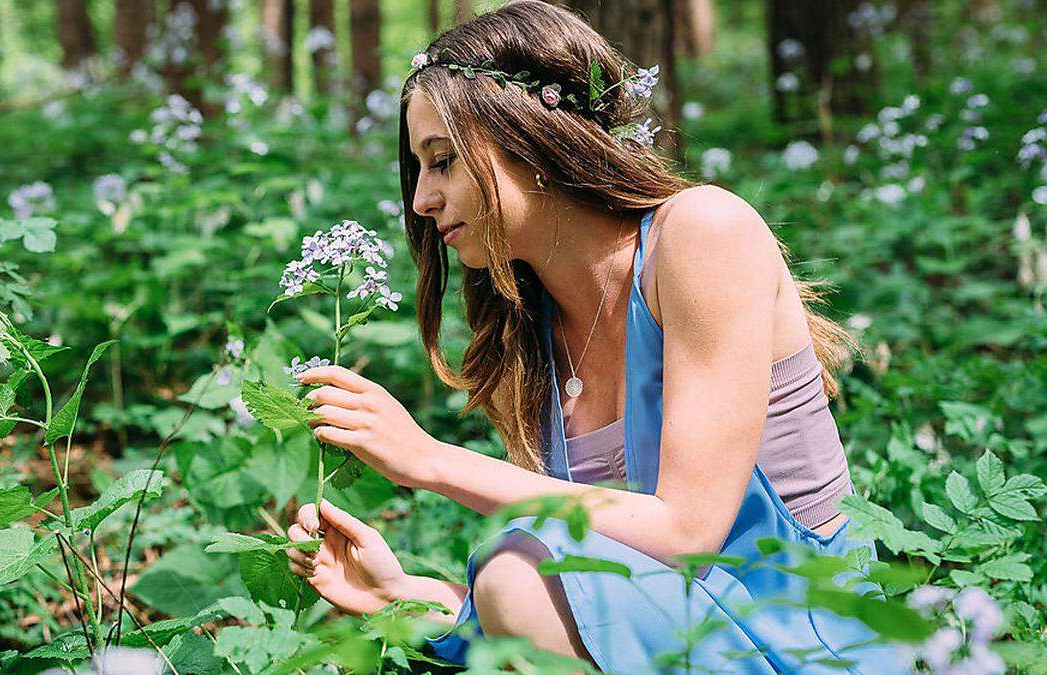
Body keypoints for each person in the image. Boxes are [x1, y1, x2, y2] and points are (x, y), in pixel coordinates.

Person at [286, 2, 898, 672]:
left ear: (526, 138)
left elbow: (686, 533)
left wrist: (427, 461)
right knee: (514, 571)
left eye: (443, 161)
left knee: (513, 566)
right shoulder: (531, 331)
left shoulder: (702, 234)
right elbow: (587, 596)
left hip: (814, 639)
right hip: (695, 638)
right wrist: (405, 593)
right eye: (419, 169)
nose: (422, 200)